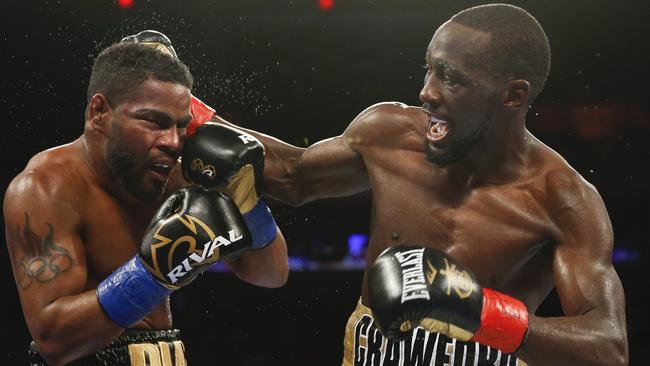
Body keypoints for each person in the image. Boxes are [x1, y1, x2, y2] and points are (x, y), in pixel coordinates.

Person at [176, 3, 628, 365]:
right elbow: (291, 174)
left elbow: (607, 346)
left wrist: (478, 311)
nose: (427, 92)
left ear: (513, 96)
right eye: (430, 69)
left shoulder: (562, 199)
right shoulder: (390, 133)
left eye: (452, 78)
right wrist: (179, 103)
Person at [3, 42, 288, 366]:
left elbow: (272, 274)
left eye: (181, 125)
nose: (172, 141)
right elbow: (53, 341)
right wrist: (151, 274)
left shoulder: (178, 175)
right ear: (99, 112)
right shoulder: (46, 188)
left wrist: (249, 203)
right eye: (154, 122)